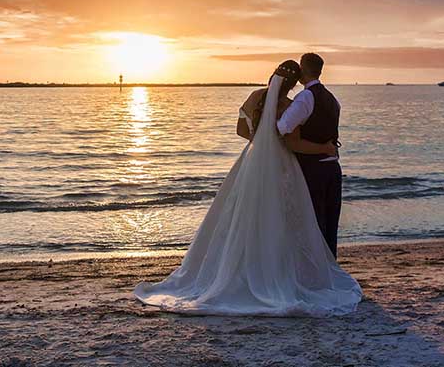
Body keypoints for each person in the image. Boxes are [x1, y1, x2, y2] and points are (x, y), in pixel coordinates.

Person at [133, 60, 361, 316]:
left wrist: (259, 140)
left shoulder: (256, 97)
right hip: (283, 162)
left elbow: (241, 129)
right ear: (292, 83)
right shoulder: (288, 104)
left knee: (244, 211)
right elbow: (290, 137)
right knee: (281, 215)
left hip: (254, 159)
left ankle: (242, 264)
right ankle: (281, 268)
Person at [277, 53, 342, 256]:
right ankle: (330, 267)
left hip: (313, 169)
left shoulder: (306, 96)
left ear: (303, 69)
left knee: (312, 223)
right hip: (333, 168)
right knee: (330, 225)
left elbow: (283, 126)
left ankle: (316, 271)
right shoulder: (332, 98)